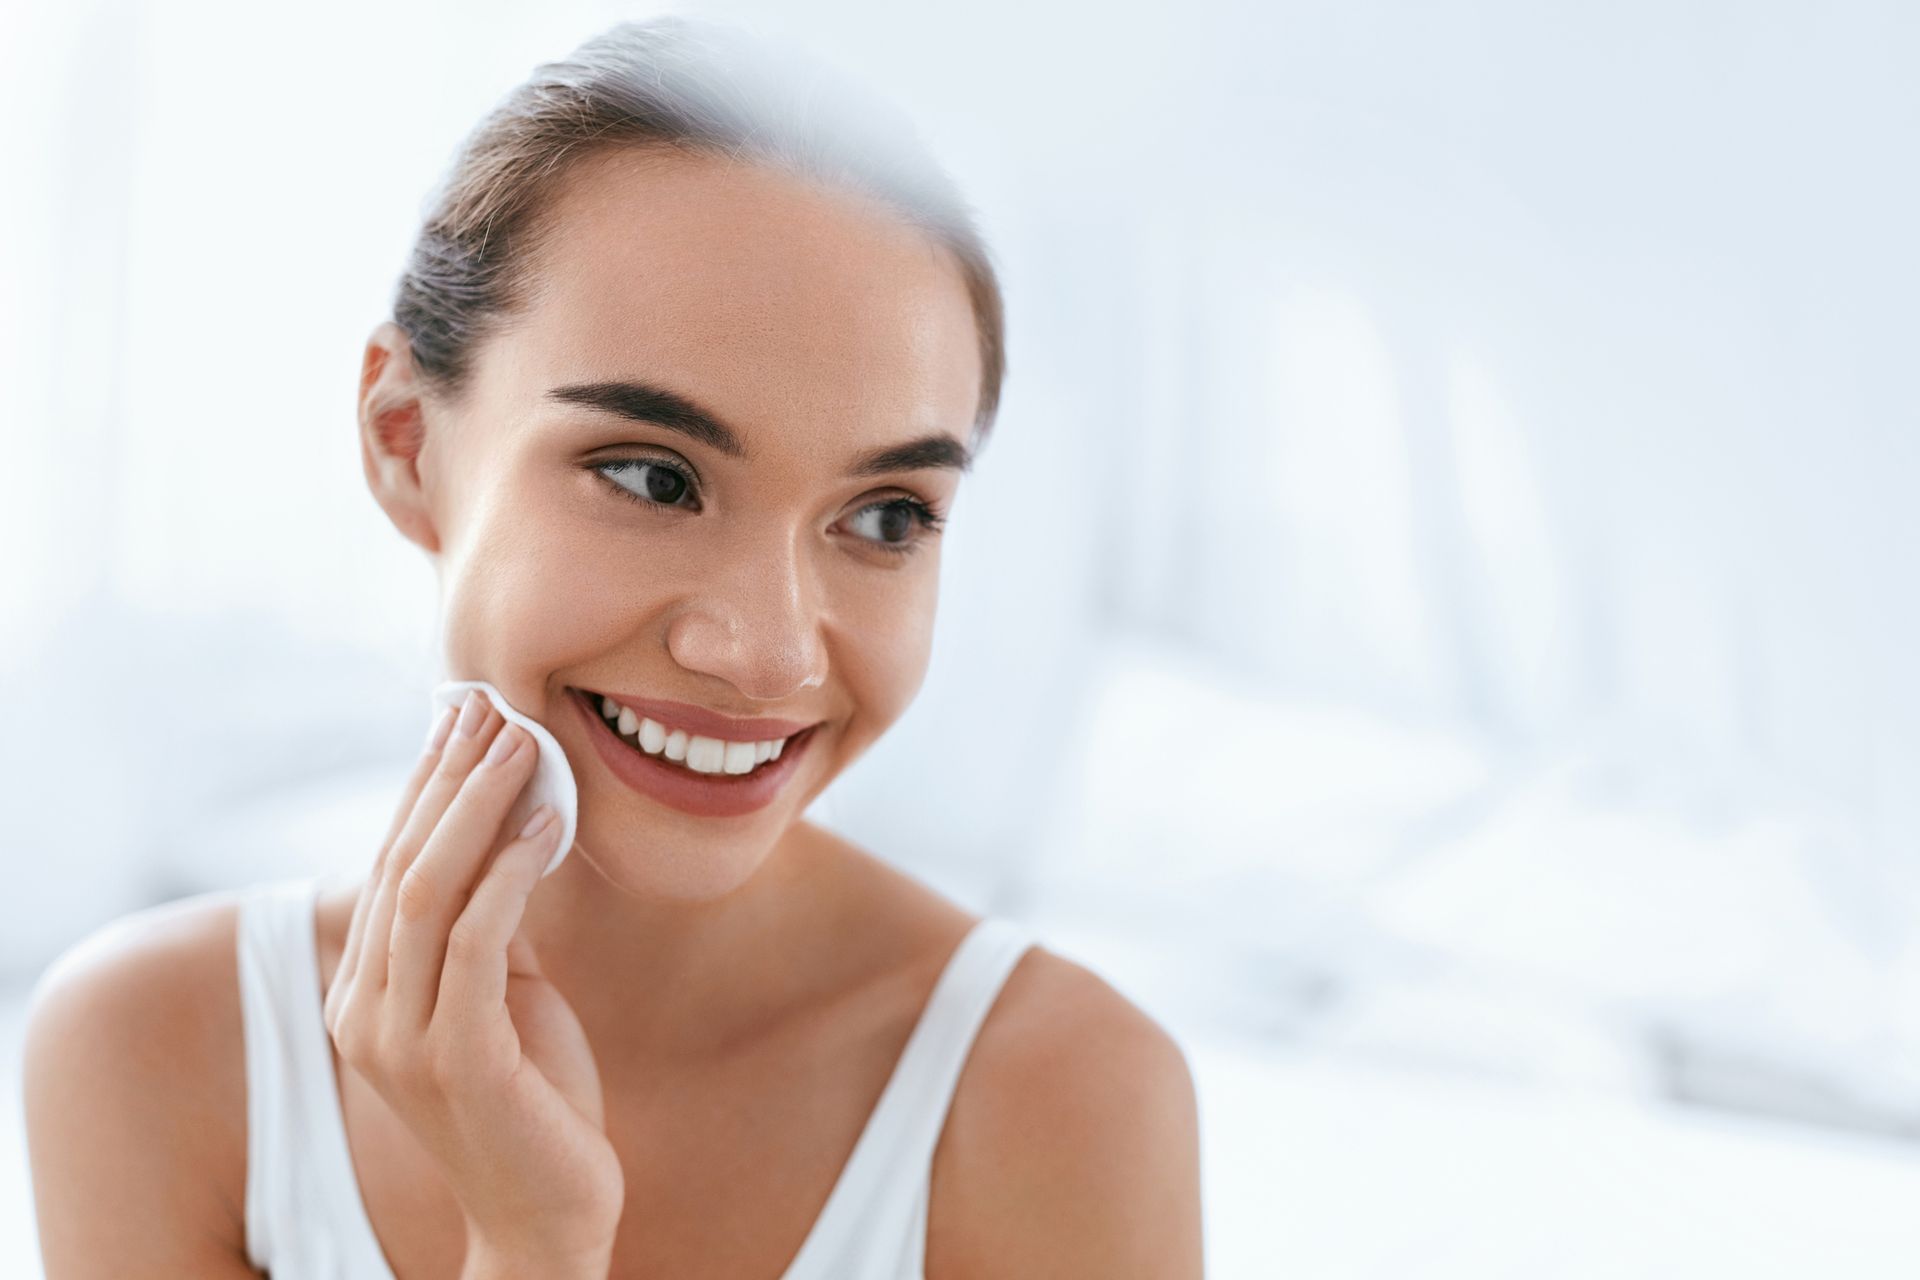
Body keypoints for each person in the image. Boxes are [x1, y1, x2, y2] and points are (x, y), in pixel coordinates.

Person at [22, 16, 1204, 1278]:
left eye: (884, 516)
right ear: (406, 438)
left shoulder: (1059, 1094)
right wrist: (531, 1241)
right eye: (651, 476)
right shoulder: (156, 1050)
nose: (763, 652)